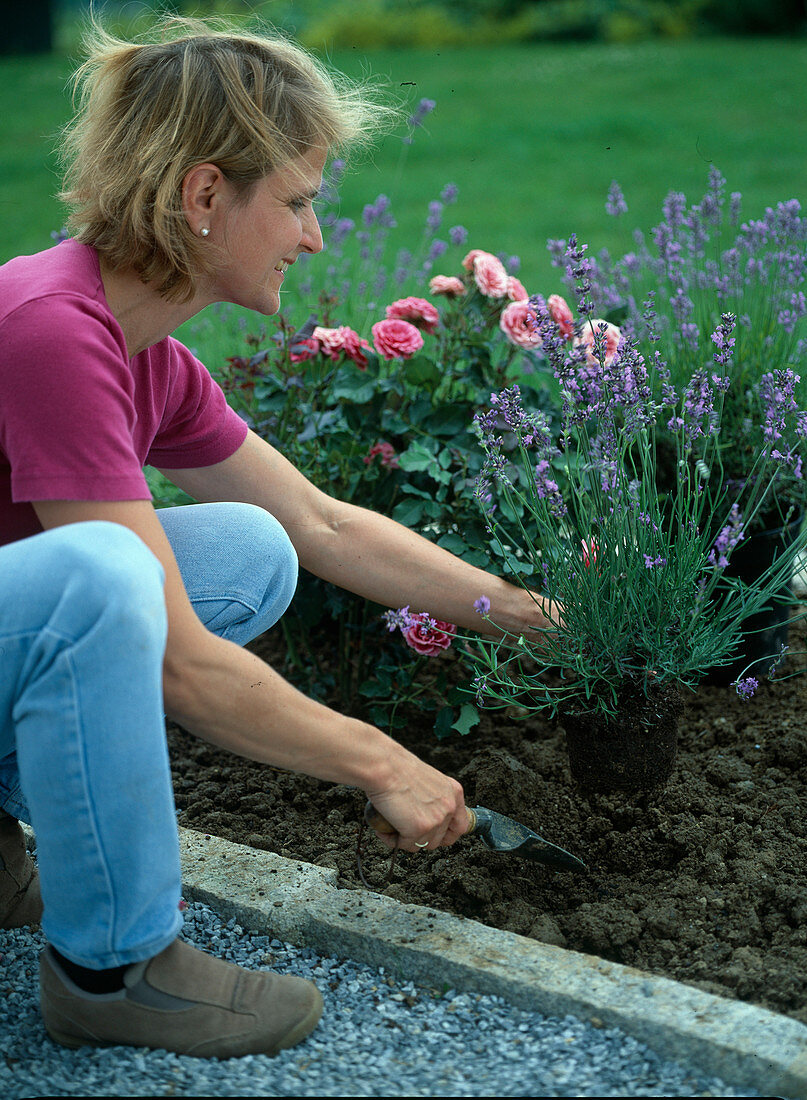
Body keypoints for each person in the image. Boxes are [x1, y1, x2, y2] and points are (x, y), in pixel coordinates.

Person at [0, 17, 551, 1059]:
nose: (314, 235)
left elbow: (323, 524)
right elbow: (176, 659)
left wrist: (538, 620)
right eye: (297, 201)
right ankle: (115, 966)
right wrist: (381, 760)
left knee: (252, 546)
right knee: (105, 575)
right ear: (205, 197)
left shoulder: (143, 352)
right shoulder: (47, 331)